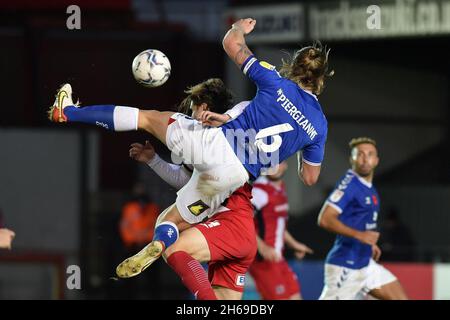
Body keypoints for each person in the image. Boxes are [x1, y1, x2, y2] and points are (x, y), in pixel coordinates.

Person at [48, 18, 333, 278]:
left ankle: (69, 112)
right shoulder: (319, 126)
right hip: (233, 178)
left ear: (294, 67)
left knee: (146, 119)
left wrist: (239, 29)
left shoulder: (274, 81)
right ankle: (159, 242)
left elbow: (231, 44)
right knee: (169, 219)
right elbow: (309, 178)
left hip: (215, 144)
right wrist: (299, 147)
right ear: (321, 79)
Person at [128, 79, 256, 300]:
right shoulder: (230, 142)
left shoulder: (211, 143)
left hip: (230, 225)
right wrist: (153, 160)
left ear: (204, 107)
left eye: (192, 109)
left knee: (174, 248)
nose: (189, 115)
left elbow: (189, 182)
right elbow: (189, 182)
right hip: (240, 232)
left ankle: (162, 236)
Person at [317, 137, 408, 300]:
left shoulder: (369, 187)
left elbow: (361, 220)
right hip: (345, 265)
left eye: (370, 154)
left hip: (365, 262)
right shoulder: (349, 185)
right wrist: (360, 236)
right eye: (360, 154)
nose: (365, 159)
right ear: (351, 158)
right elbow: (325, 219)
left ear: (376, 160)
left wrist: (369, 244)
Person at [249, 161, 313, 300]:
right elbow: (242, 221)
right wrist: (263, 247)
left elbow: (277, 224)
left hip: (278, 258)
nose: (274, 167)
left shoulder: (280, 187)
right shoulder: (259, 190)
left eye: (279, 162)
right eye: (270, 163)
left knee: (296, 297)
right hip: (263, 261)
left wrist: (294, 244)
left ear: (285, 165)